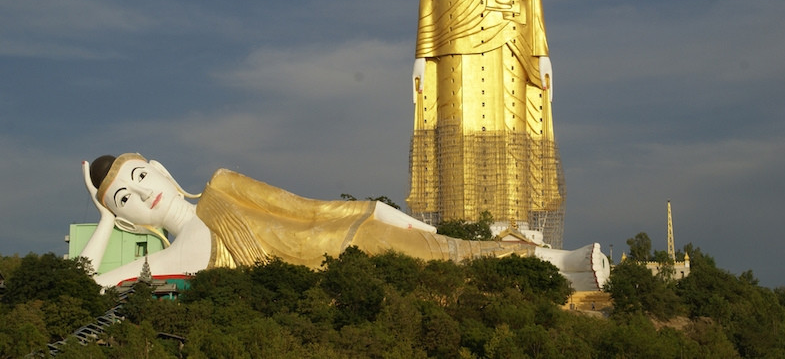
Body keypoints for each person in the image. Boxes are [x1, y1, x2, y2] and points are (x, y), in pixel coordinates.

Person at [79, 153, 607, 290]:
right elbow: (92, 284)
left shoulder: (223, 185)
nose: (141, 194)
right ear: (125, 219)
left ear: (162, 171)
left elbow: (304, 207)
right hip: (343, 277)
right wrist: (102, 220)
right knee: (453, 265)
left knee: (449, 250)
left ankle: (564, 262)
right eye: (123, 199)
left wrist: (386, 215)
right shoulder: (170, 256)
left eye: (140, 176)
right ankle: (568, 271)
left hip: (348, 235)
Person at [408, 0, 565, 246]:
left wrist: (542, 53)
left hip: (509, 49)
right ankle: (459, 224)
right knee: (457, 133)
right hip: (454, 55)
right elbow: (429, 3)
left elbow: (534, 1)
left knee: (508, 133)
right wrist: (421, 57)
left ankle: (513, 220)